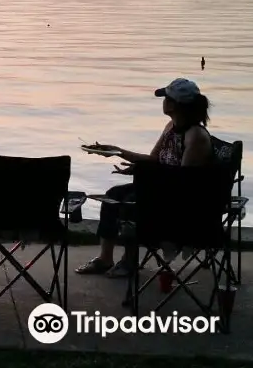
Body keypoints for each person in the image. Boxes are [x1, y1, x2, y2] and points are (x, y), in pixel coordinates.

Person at [76, 78, 213, 277]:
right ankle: (105, 259)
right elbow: (153, 159)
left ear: (176, 104)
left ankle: (129, 261)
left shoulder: (196, 136)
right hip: (161, 187)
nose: (163, 101)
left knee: (129, 202)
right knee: (113, 195)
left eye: (166, 97)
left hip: (179, 201)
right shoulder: (170, 126)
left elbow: (183, 181)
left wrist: (144, 173)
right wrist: (117, 152)